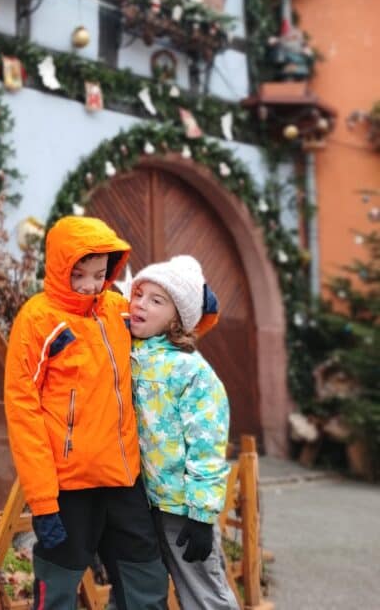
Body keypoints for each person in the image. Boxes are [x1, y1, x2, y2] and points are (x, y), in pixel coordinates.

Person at [5, 216, 167, 610]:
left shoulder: (117, 309)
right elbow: (23, 414)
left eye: (100, 274)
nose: (92, 285)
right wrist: (43, 503)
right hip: (69, 487)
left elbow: (168, 320)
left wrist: (198, 310)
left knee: (145, 580)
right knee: (59, 590)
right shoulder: (38, 319)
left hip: (125, 478)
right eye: (80, 275)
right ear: (61, 267)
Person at [129, 255, 238, 610]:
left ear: (177, 319)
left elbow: (206, 446)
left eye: (156, 300)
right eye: (139, 294)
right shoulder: (128, 352)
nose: (141, 304)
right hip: (141, 503)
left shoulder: (191, 372)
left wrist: (202, 515)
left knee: (203, 594)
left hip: (183, 509)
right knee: (136, 589)